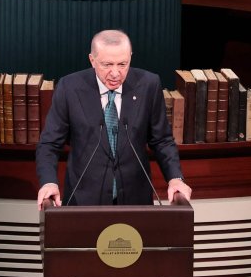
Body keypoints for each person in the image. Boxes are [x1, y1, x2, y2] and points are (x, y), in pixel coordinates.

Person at [36, 29, 191, 208]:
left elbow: (162, 140)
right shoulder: (69, 87)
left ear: (130, 57)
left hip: (135, 200)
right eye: (107, 64)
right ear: (92, 60)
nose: (116, 73)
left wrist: (175, 178)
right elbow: (49, 143)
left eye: (122, 64)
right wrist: (48, 182)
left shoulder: (149, 84)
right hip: (85, 200)